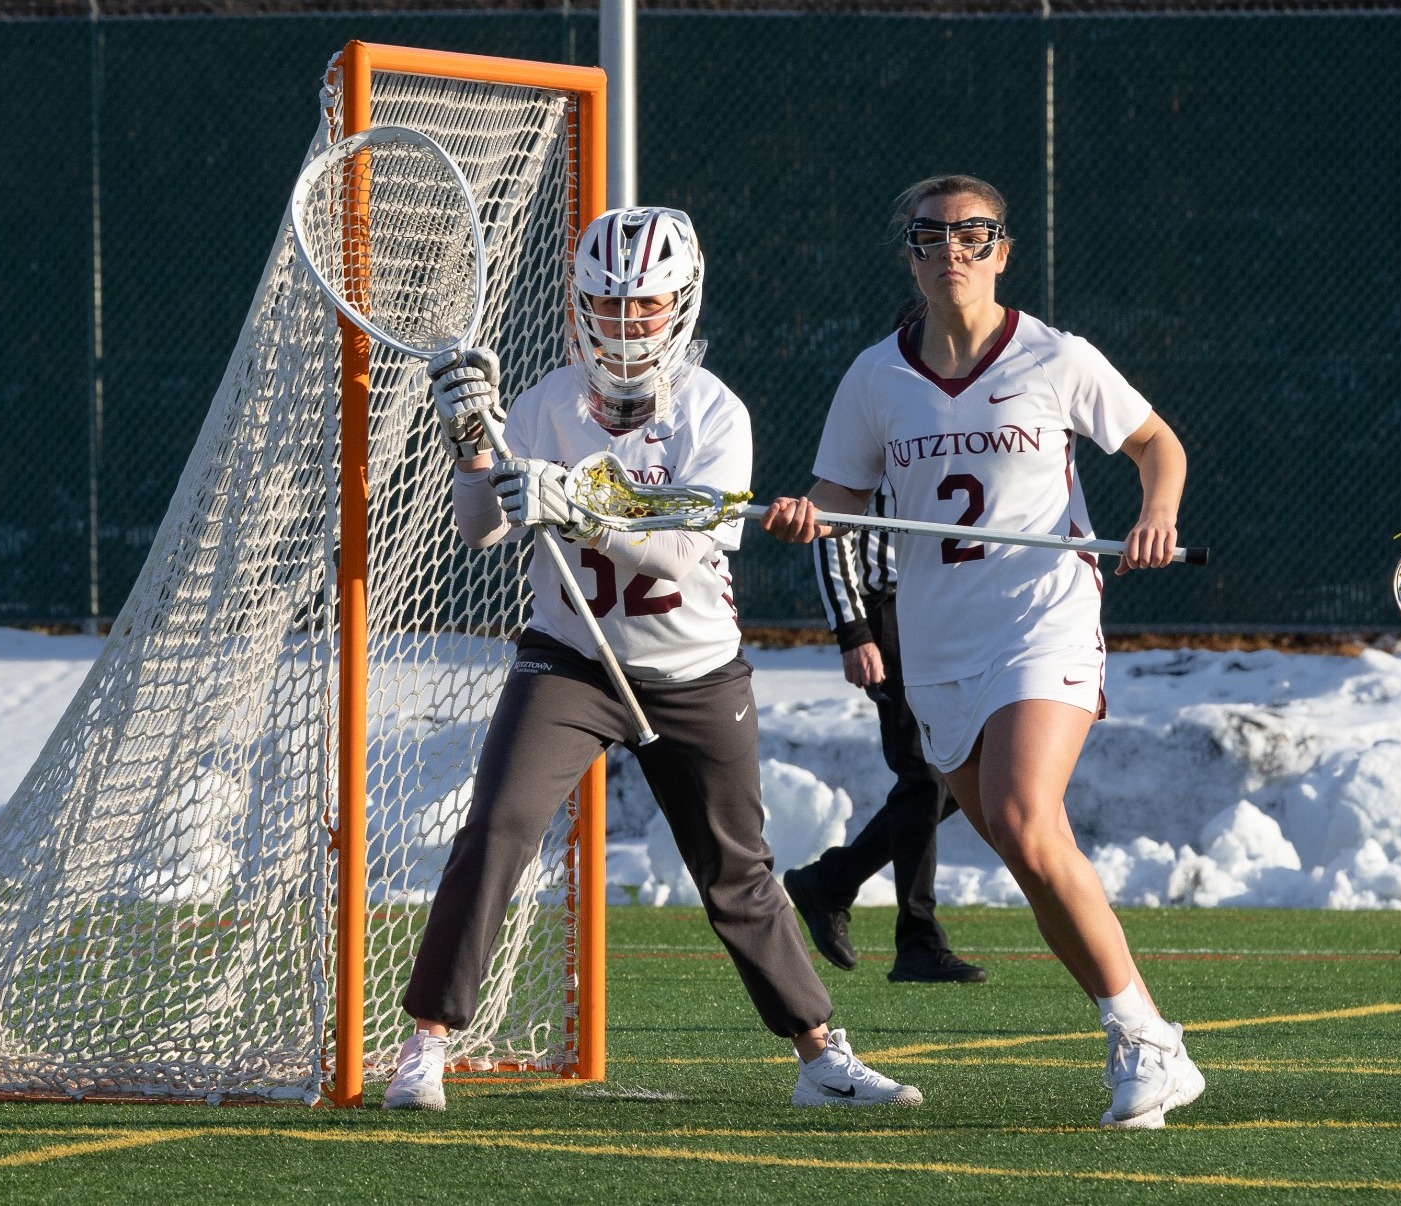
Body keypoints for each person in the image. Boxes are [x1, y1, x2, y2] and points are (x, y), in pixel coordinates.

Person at [384, 206, 920, 1113]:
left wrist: (581, 502)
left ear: (680, 306)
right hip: (572, 660)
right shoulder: (548, 403)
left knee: (735, 871)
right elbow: (482, 528)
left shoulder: (716, 413)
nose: (626, 324)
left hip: (695, 670)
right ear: (579, 306)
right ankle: (425, 1047)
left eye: (645, 306)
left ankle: (821, 1057)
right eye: (609, 304)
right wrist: (473, 445)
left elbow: (685, 548)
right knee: (499, 828)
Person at [760, 175, 1204, 1130]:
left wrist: (1156, 512)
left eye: (974, 235)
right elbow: (833, 502)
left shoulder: (1055, 355)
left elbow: (1155, 443)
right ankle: (1150, 1036)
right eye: (932, 235)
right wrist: (807, 519)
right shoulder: (875, 377)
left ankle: (1139, 1041)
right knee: (1022, 847)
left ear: (1003, 251)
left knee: (1021, 812)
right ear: (909, 254)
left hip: (1040, 618)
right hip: (936, 638)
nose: (952, 250)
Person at [783, 463, 988, 985]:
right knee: (922, 772)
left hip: (944, 612)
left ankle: (832, 881)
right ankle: (917, 939)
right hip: (887, 610)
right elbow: (830, 532)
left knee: (965, 769)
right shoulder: (878, 423)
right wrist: (854, 632)